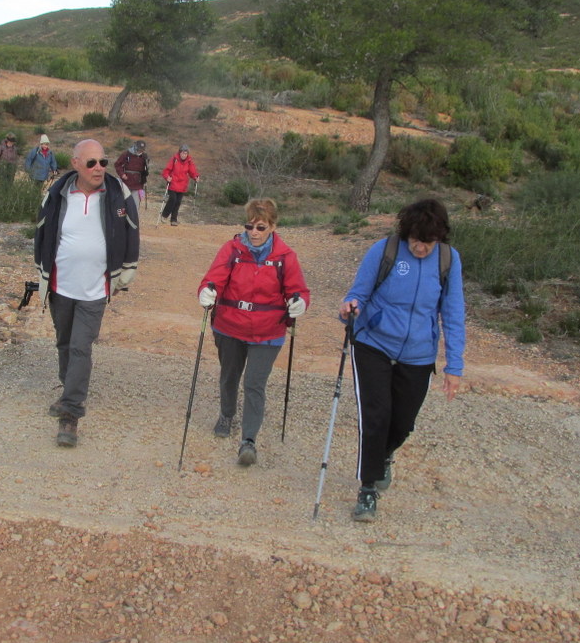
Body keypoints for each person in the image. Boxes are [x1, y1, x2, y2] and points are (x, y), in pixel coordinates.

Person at [339, 198, 465, 522]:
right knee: (376, 416)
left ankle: (384, 456)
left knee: (403, 422)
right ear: (406, 232)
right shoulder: (384, 251)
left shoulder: (449, 260)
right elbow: (359, 293)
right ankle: (367, 490)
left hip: (419, 353)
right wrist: (349, 307)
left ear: (439, 238)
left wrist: (455, 366)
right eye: (415, 240)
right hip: (374, 344)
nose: (420, 247)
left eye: (428, 242)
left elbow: (453, 314)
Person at [33, 138, 140, 448]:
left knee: (81, 346)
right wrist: (40, 266)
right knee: (64, 343)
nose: (99, 168)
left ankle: (71, 413)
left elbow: (132, 230)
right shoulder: (57, 193)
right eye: (91, 163)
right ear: (76, 163)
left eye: (103, 162)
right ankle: (70, 390)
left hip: (95, 288)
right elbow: (42, 230)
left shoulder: (117, 194)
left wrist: (127, 271)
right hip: (60, 285)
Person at [197, 198, 310, 466]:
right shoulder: (232, 250)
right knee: (229, 375)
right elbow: (214, 277)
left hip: (268, 332)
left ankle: (248, 440)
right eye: (250, 226)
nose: (254, 233)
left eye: (261, 227)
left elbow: (298, 289)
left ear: (272, 226)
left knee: (254, 383)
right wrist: (207, 290)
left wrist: (299, 301)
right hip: (229, 325)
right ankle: (227, 414)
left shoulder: (285, 257)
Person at [160, 144, 199, 226]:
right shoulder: (174, 159)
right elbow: (166, 170)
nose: (184, 155)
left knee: (178, 202)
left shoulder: (189, 161)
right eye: (182, 153)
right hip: (172, 184)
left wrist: (195, 177)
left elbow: (192, 171)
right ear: (179, 152)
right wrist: (167, 177)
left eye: (185, 153)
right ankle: (164, 215)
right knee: (172, 199)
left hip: (182, 185)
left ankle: (174, 220)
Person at [114, 140, 149, 209]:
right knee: (123, 204)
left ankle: (133, 219)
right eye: (139, 149)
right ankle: (122, 219)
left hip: (138, 184)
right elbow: (117, 164)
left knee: (135, 205)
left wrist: (144, 179)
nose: (141, 151)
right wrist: (122, 174)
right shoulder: (126, 154)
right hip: (126, 183)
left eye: (142, 150)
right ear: (135, 147)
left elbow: (145, 170)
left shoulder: (144, 157)